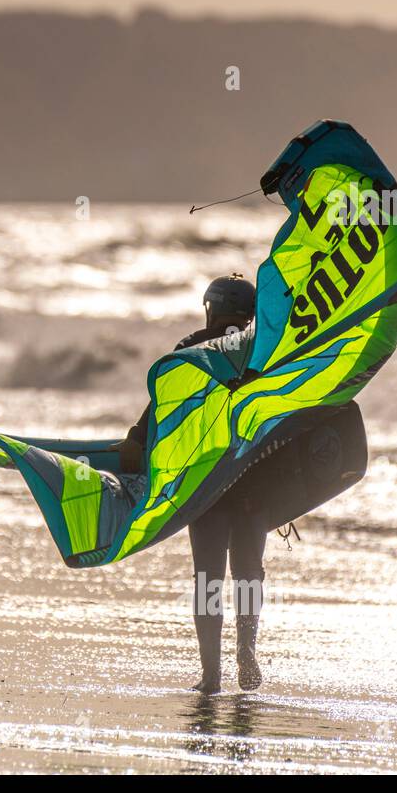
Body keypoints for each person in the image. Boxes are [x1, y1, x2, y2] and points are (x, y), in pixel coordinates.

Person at [113, 273, 267, 694]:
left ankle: (212, 672)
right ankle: (246, 647)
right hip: (253, 476)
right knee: (250, 571)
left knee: (208, 577)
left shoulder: (192, 348)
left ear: (212, 308)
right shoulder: (266, 350)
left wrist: (136, 439)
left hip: (205, 478)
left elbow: (165, 403)